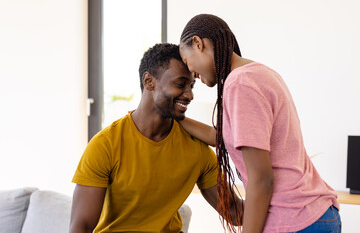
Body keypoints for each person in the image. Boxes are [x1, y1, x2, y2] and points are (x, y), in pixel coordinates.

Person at [178, 14, 341, 233]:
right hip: (316, 213)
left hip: (294, 219)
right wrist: (176, 118)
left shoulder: (239, 83)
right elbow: (221, 137)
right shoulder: (260, 73)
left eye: (188, 62)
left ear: (198, 44)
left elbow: (261, 179)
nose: (192, 73)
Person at [69, 43, 243, 233]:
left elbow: (235, 212)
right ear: (149, 81)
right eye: (180, 84)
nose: (190, 95)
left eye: (191, 86)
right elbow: (82, 226)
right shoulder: (106, 144)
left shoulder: (197, 149)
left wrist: (275, 192)